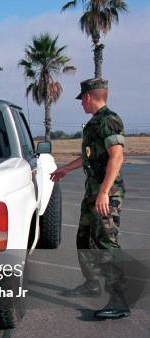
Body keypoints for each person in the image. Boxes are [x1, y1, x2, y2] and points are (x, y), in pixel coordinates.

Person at [50, 78, 129, 319]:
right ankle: (91, 283)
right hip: (93, 193)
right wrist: (66, 168)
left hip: (107, 194)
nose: (81, 104)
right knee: (84, 238)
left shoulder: (108, 120)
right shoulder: (95, 123)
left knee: (106, 242)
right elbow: (90, 157)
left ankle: (119, 300)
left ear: (88, 97)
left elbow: (117, 157)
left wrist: (104, 191)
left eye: (81, 100)